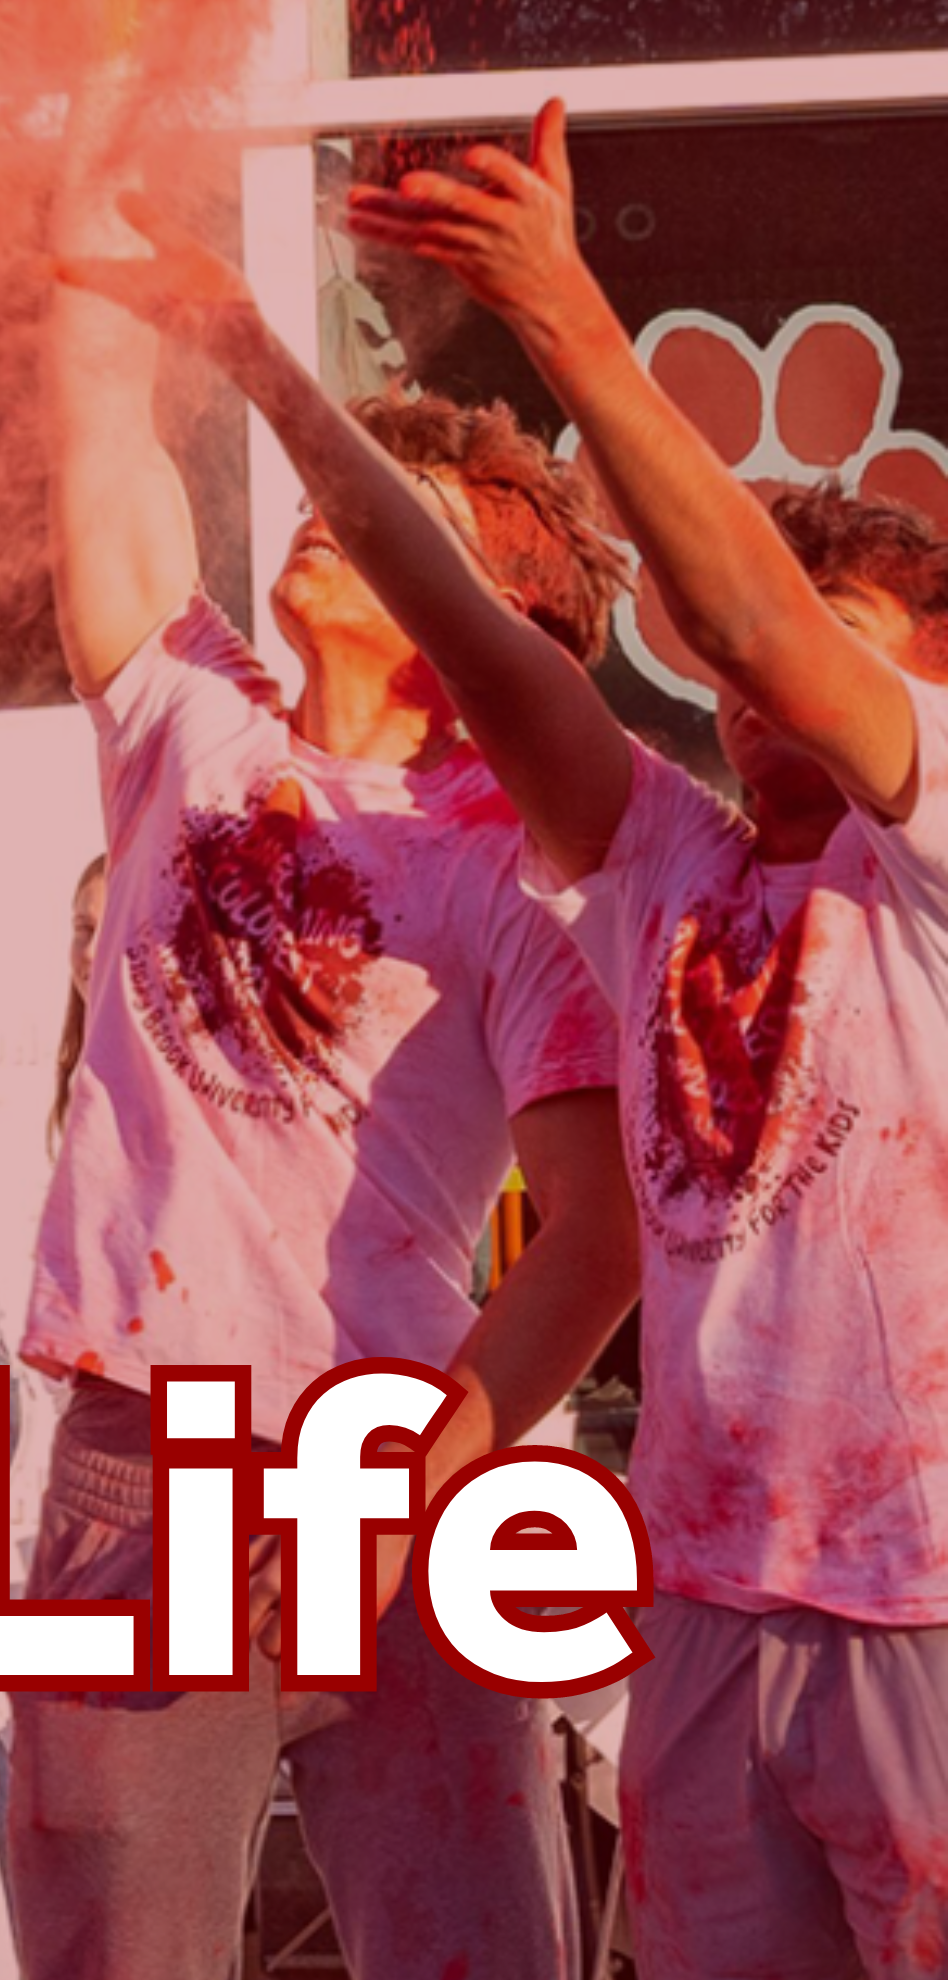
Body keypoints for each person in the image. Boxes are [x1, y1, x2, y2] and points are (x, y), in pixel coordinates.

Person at [125, 97, 948, 1969]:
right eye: (731, 672)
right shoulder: (664, 861)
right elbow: (482, 649)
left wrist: (572, 325)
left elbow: (745, 613)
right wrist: (264, 364)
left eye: (835, 644)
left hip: (923, 1618)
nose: (751, 684)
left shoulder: (927, 861)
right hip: (704, 1613)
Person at [0, 85, 642, 1980]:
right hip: (144, 1455)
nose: (325, 519)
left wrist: (410, 1486)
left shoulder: (526, 879)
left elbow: (592, 1244)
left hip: (413, 1464)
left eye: (394, 515)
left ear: (493, 610)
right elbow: (99, 403)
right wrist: (103, 92)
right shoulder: (197, 719)